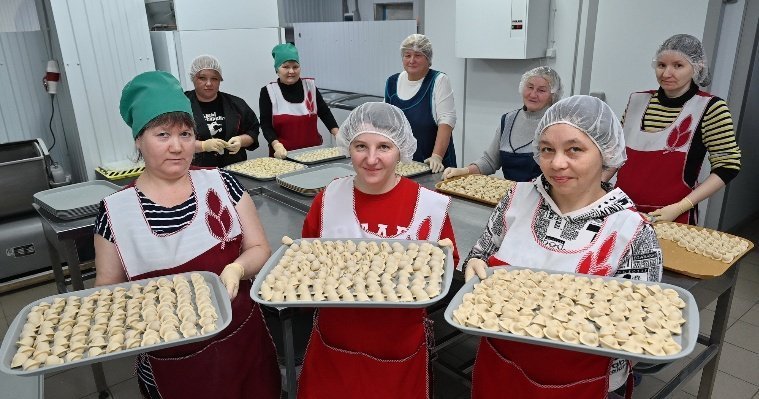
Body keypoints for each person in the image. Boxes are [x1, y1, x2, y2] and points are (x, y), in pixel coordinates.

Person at [94, 71, 280, 398]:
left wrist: (237, 268)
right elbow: (107, 290)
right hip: (169, 357)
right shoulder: (115, 212)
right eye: (162, 134)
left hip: (241, 342)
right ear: (139, 139)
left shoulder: (222, 184)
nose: (178, 147)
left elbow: (258, 247)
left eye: (186, 133)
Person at [464, 95, 663, 399]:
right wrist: (474, 266)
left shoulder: (631, 232)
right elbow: (479, 255)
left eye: (575, 149)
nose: (557, 163)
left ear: (605, 153)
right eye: (546, 149)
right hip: (499, 369)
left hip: (575, 384)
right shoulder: (516, 199)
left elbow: (635, 334)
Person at [297, 102, 459, 399]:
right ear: (348, 146)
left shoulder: (429, 206)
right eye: (361, 146)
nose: (371, 159)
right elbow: (307, 259)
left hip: (398, 347)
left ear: (401, 150)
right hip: (335, 344)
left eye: (384, 146)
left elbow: (444, 271)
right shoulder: (330, 197)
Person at [613, 34, 741, 224]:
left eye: (678, 65)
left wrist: (681, 206)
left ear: (696, 68)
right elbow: (615, 155)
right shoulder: (636, 101)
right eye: (661, 65)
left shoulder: (710, 108)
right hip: (622, 211)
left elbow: (728, 166)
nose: (666, 73)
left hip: (672, 217)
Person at [442, 66, 563, 182]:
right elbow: (490, 161)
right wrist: (465, 171)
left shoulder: (556, 125)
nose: (533, 94)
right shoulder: (508, 120)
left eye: (541, 90)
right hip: (510, 195)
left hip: (543, 198)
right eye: (530, 87)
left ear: (553, 96)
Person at [385, 34, 457, 173]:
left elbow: (446, 122)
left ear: (428, 59)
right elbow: (387, 124)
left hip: (434, 164)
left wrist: (436, 156)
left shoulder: (438, 80)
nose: (412, 60)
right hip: (403, 164)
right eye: (407, 55)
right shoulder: (392, 83)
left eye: (418, 55)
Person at [259, 43, 340, 159]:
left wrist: (338, 134)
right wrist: (276, 145)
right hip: (284, 156)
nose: (291, 71)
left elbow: (325, 113)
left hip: (313, 154)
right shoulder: (269, 92)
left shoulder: (310, 87)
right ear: (277, 69)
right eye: (286, 67)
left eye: (295, 67)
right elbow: (265, 124)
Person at [185, 54, 261, 167]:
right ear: (193, 78)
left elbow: (253, 131)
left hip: (234, 169)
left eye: (214, 78)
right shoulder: (181, 105)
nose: (209, 83)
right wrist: (202, 146)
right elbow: (172, 140)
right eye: (202, 78)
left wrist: (241, 140)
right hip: (196, 171)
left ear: (220, 80)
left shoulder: (236, 104)